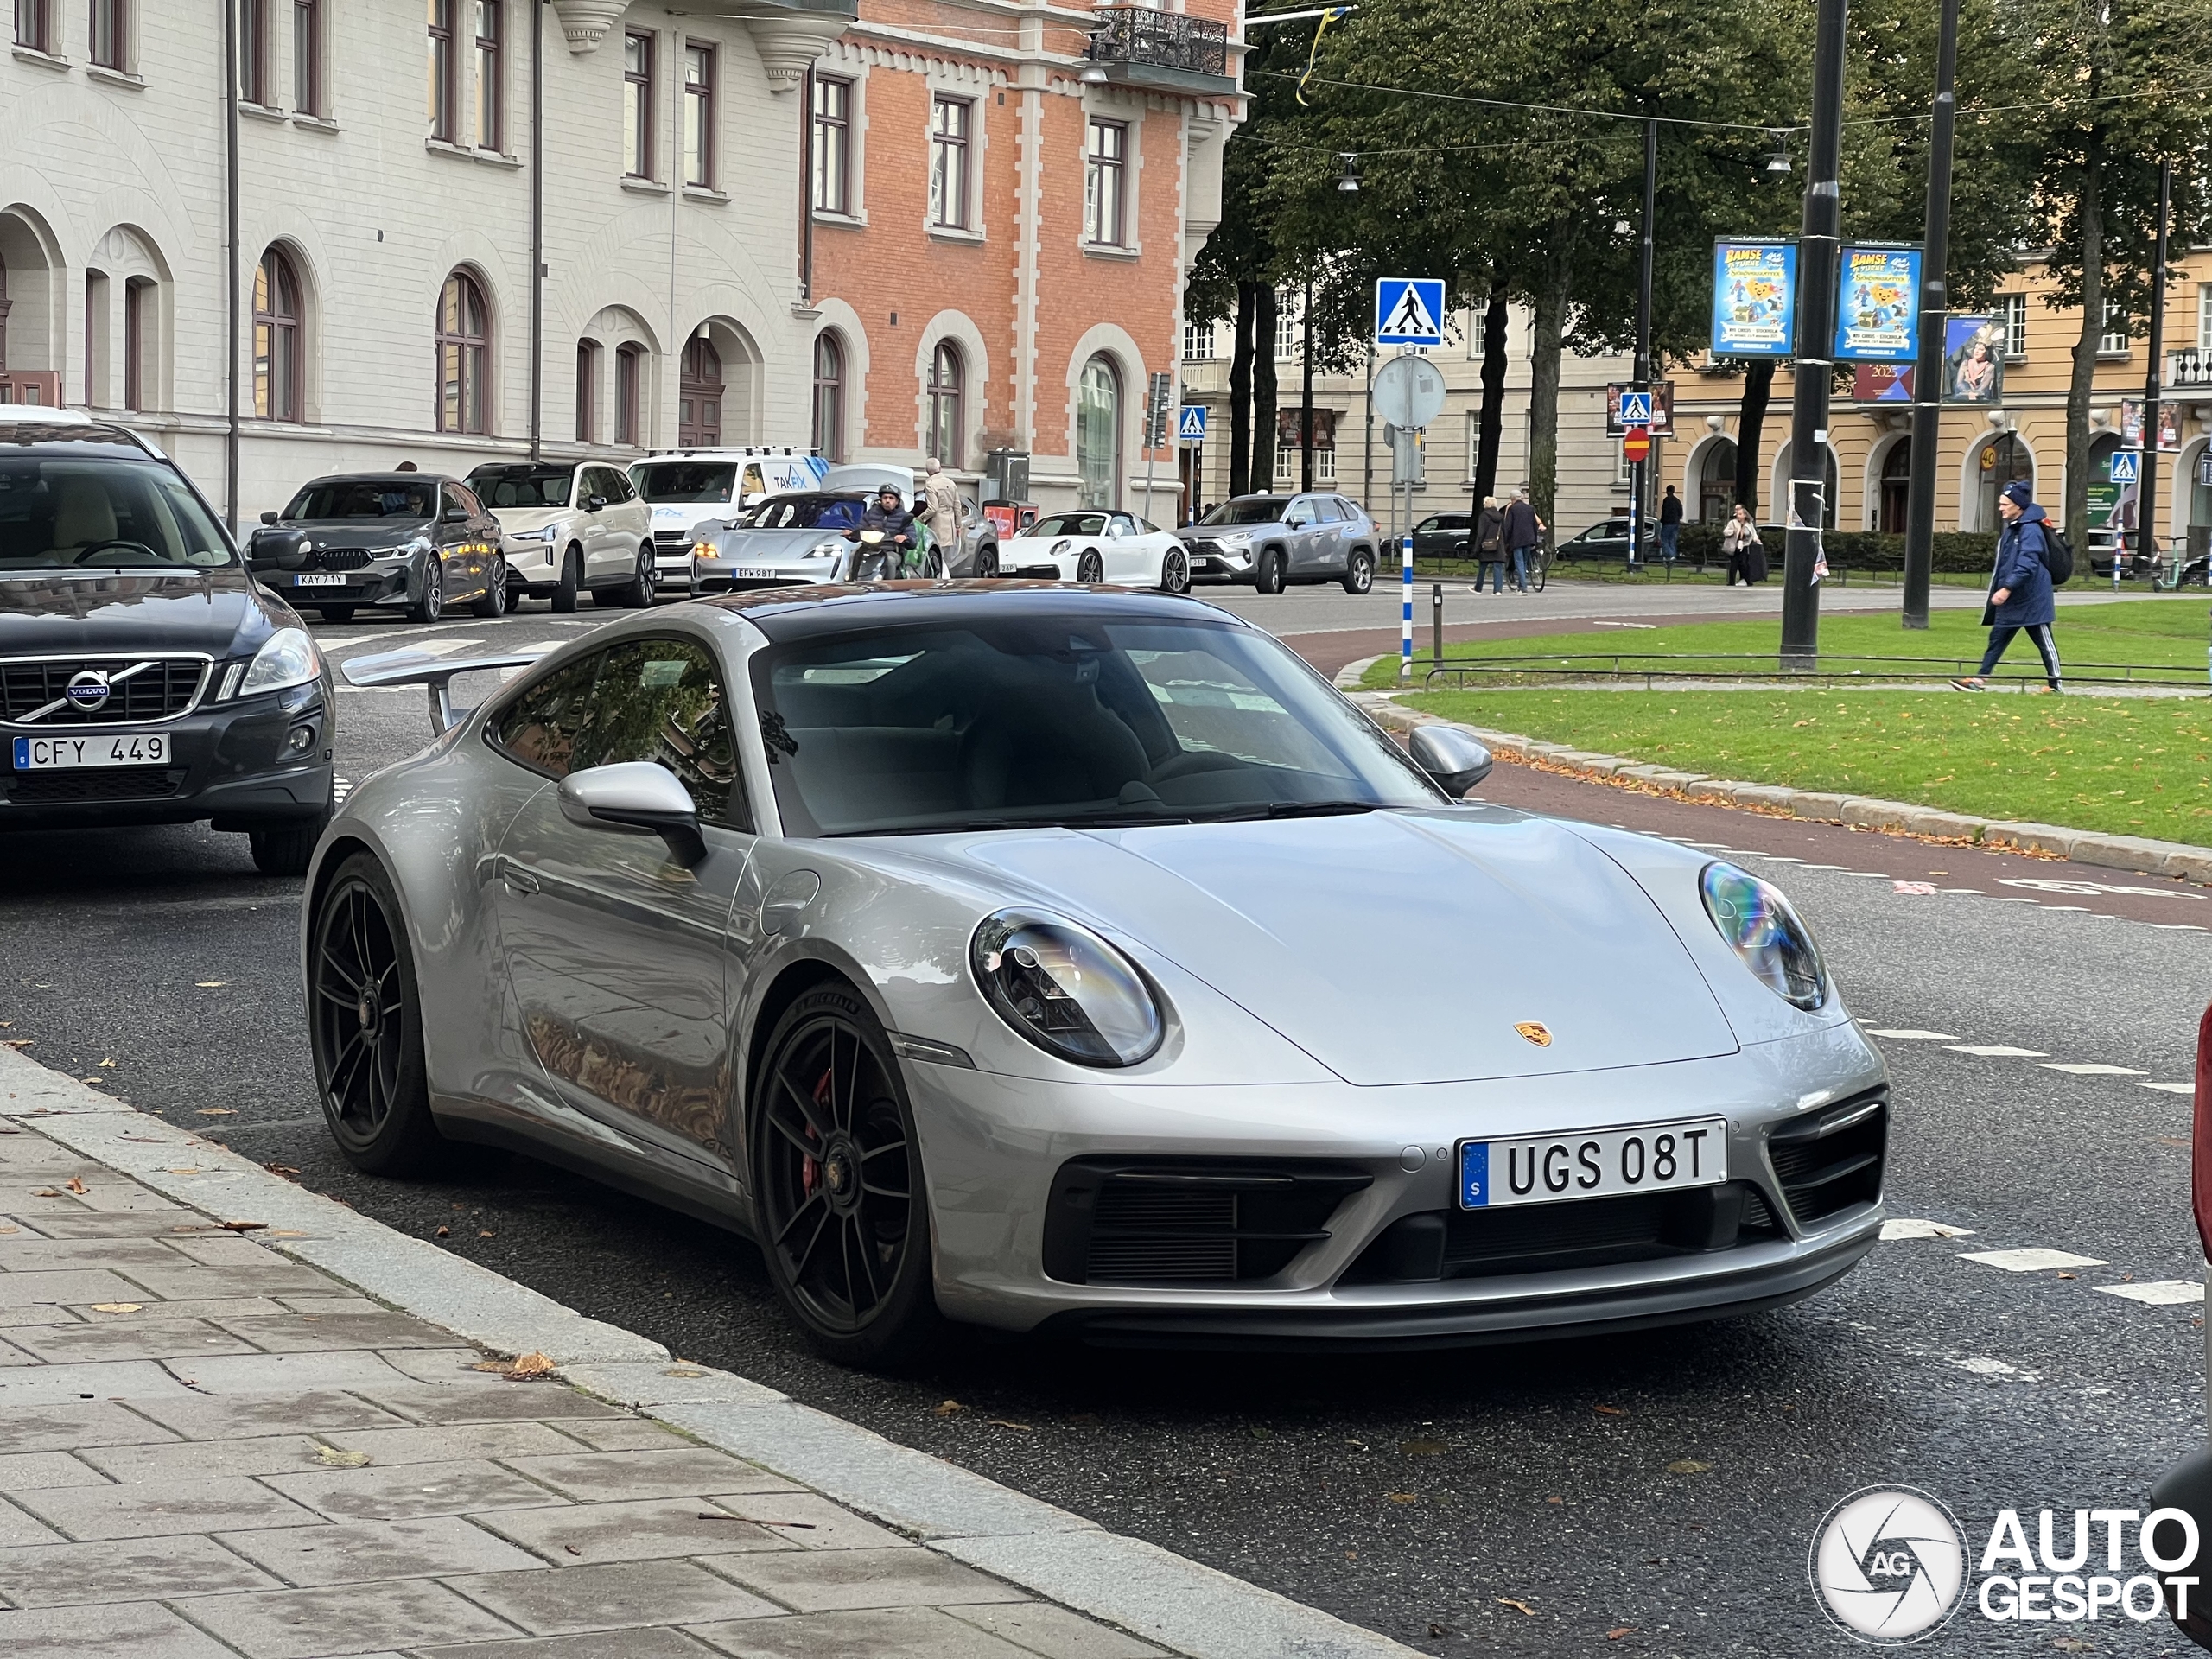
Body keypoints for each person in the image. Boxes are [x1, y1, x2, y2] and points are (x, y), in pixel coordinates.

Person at [1952, 479, 2062, 692]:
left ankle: (2056, 685)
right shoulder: (2014, 528)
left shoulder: (2030, 530)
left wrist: (2006, 588)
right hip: (2014, 600)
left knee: (2044, 642)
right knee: (1997, 639)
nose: (2000, 508)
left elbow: (2028, 563)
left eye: (2005, 504)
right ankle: (1979, 680)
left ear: (2018, 506)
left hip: (2031, 599)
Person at [845, 484, 918, 579]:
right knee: (853, 554)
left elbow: (913, 540)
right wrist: (851, 534)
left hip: (891, 550)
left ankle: (889, 586)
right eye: (885, 497)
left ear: (897, 501)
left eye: (891, 498)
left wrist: (905, 537)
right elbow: (860, 528)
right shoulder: (871, 513)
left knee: (890, 560)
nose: (887, 500)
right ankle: (852, 580)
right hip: (868, 549)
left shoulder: (904, 517)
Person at [920, 456, 965, 561]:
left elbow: (933, 508)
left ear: (927, 471)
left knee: (936, 557)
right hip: (950, 525)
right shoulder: (950, 483)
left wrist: (920, 519)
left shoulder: (930, 484)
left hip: (937, 524)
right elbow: (957, 506)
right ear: (940, 468)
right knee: (946, 559)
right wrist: (958, 525)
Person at [1500, 487, 1543, 594]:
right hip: (1529, 539)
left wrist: (1506, 540)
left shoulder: (1512, 509)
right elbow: (1534, 524)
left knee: (1519, 562)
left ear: (1512, 499)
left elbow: (1508, 526)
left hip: (1517, 540)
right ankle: (1520, 586)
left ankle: (1523, 588)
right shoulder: (1530, 508)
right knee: (1524, 562)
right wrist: (1534, 539)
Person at [1722, 505, 1765, 585]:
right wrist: (1732, 532)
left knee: (1744, 564)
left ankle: (1747, 581)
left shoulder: (1749, 524)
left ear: (1745, 515)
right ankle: (1731, 582)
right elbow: (1725, 532)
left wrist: (1756, 539)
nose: (1739, 516)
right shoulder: (1733, 523)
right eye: (1738, 514)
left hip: (1745, 546)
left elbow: (1753, 533)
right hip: (1734, 547)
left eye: (1740, 514)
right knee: (1734, 565)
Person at [1474, 496, 1507, 594]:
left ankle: (1478, 588)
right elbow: (1504, 530)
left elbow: (1481, 533)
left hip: (1486, 544)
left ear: (1487, 504)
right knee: (1498, 568)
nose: (1483, 504)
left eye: (1484, 503)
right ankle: (1498, 590)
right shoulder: (1500, 516)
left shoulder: (1484, 515)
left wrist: (1477, 547)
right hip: (1498, 545)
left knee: (1482, 568)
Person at [1658, 486, 1682, 566]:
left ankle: (1670, 555)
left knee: (1664, 539)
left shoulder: (1666, 500)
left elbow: (1664, 512)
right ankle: (1673, 557)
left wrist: (1662, 520)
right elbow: (1680, 513)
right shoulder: (1677, 501)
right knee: (1672, 540)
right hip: (1676, 523)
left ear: (1667, 491)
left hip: (1668, 523)